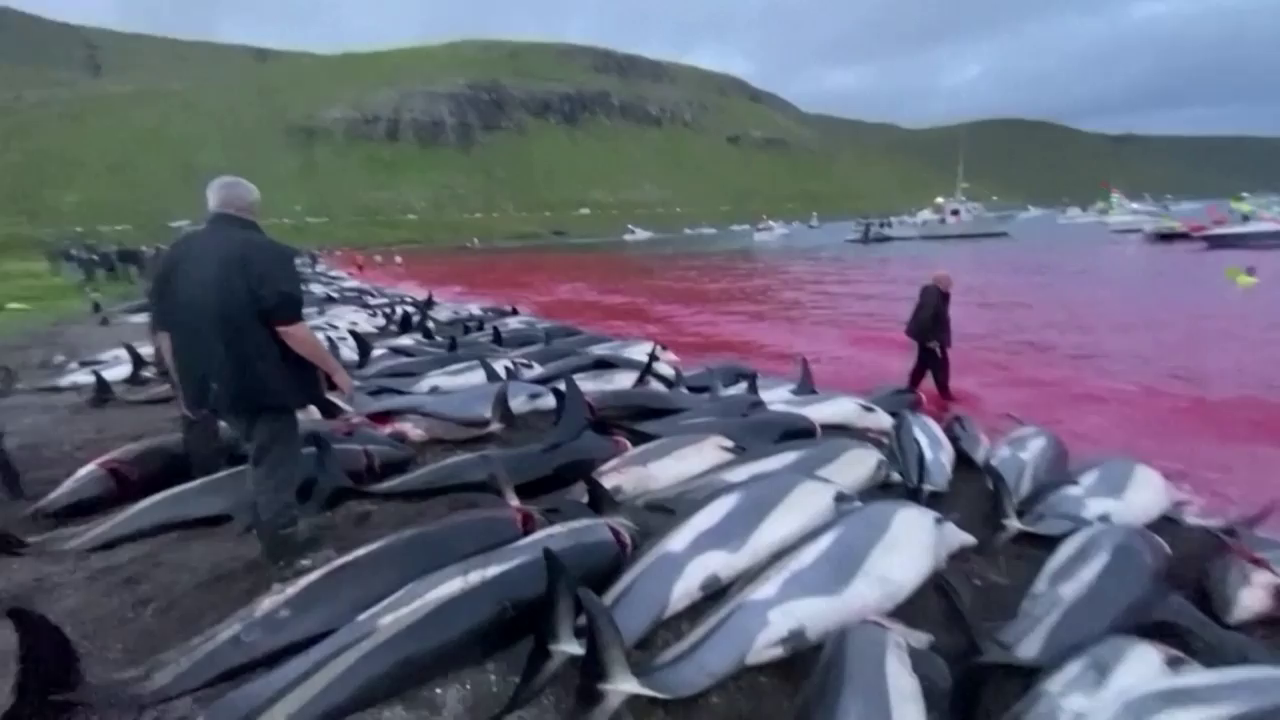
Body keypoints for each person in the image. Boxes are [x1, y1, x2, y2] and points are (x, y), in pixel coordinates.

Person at [148, 175, 354, 577]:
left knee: (259, 457)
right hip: (261, 383)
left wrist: (183, 388)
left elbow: (165, 330)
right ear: (252, 207)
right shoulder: (266, 252)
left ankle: (269, 528)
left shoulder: (178, 253)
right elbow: (290, 327)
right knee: (276, 460)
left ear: (212, 205)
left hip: (206, 381)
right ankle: (285, 549)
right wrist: (335, 371)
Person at [904, 271, 955, 402]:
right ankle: (946, 398)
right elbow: (924, 317)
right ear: (940, 282)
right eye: (948, 281)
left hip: (929, 337)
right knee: (941, 367)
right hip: (931, 339)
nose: (951, 284)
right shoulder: (932, 293)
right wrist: (929, 340)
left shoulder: (938, 294)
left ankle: (909, 390)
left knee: (922, 364)